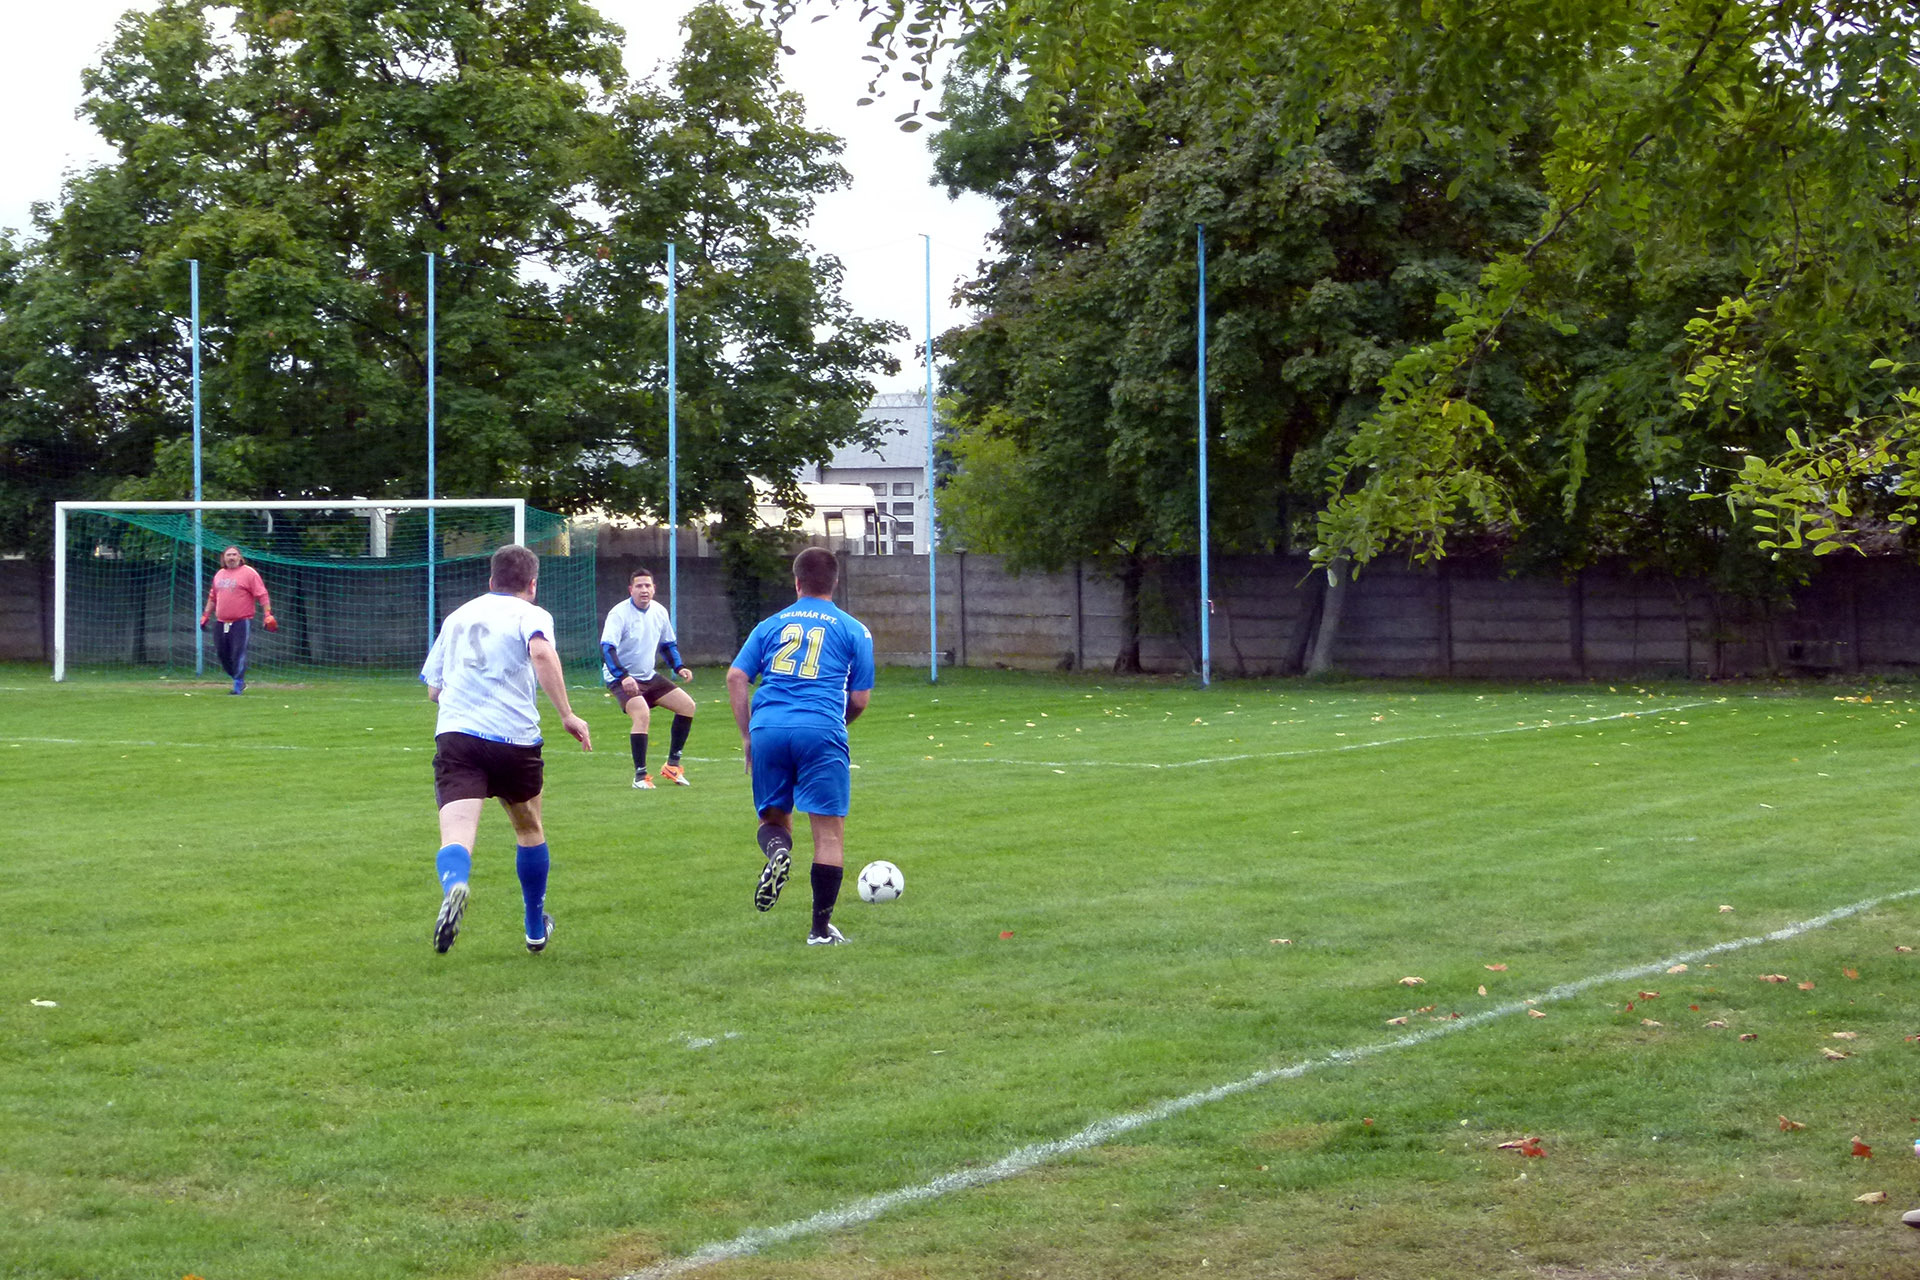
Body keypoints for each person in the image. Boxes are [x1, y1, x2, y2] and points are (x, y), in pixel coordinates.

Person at [420, 544, 592, 956]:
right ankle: (534, 928)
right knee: (528, 829)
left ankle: (456, 884)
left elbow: (434, 690)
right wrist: (567, 714)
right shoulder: (530, 614)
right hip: (514, 739)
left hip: (458, 736)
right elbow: (541, 651)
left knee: (457, 834)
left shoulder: (457, 617)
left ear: (490, 580)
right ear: (532, 584)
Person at [726, 547, 875, 946]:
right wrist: (833, 724)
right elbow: (860, 699)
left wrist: (747, 735)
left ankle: (778, 851)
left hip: (768, 728)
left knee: (774, 820)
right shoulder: (854, 630)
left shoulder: (769, 625)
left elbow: (736, 677)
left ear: (796, 583)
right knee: (828, 836)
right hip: (820, 729)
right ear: (835, 582)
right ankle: (819, 930)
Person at [600, 568, 697, 789]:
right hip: (621, 678)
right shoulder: (619, 613)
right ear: (630, 589)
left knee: (687, 706)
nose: (644, 590)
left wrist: (679, 666)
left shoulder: (659, 611)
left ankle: (672, 766)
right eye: (639, 586)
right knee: (642, 715)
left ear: (654, 589)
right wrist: (623, 676)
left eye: (648, 585)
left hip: (648, 676)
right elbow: (607, 648)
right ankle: (640, 777)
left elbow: (668, 644)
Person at [199, 545, 275, 694]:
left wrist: (267, 614)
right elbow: (212, 597)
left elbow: (262, 594)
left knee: (238, 653)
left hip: (241, 621)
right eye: (228, 555)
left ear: (240, 557)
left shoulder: (249, 573)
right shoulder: (219, 574)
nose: (231, 557)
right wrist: (205, 615)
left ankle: (238, 685)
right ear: (223, 558)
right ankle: (237, 678)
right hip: (221, 621)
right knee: (222, 654)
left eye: (234, 554)